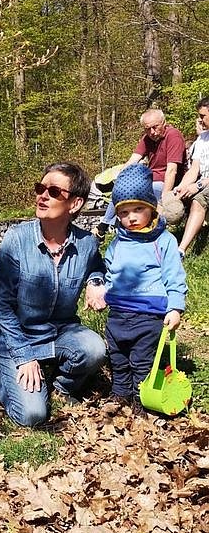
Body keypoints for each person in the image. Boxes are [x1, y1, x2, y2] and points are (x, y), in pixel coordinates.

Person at [0, 162, 107, 428]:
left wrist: (95, 281)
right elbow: (1, 307)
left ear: (75, 204)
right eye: (40, 188)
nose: (42, 196)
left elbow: (97, 267)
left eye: (53, 192)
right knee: (32, 415)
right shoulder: (16, 240)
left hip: (60, 332)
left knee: (95, 349)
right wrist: (24, 356)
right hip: (17, 337)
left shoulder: (86, 244)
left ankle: (62, 386)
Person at [104, 164, 187, 413]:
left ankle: (142, 399)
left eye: (138, 209)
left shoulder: (163, 241)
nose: (131, 217)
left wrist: (175, 307)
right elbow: (110, 271)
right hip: (117, 313)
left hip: (148, 314)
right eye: (124, 212)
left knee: (141, 360)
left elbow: (174, 275)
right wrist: (104, 291)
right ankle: (120, 393)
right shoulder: (118, 242)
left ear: (151, 208)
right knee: (118, 357)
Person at [94, 109, 186, 241]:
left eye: (155, 127)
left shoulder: (173, 136)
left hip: (166, 182)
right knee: (121, 188)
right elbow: (132, 160)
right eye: (148, 129)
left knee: (142, 190)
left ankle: (112, 228)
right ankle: (104, 227)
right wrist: (121, 178)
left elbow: (172, 170)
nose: (152, 132)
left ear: (164, 123)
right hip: (150, 178)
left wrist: (165, 197)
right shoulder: (147, 138)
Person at [174, 97, 209, 257]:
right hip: (204, 183)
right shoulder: (202, 139)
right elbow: (194, 170)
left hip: (205, 186)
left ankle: (181, 250)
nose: (199, 120)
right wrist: (181, 187)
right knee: (171, 200)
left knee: (199, 201)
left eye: (202, 116)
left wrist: (199, 185)